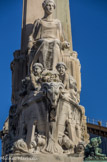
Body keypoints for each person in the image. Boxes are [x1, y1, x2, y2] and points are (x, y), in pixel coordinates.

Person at [28, 0, 70, 73]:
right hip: (41, 41)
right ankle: (44, 68)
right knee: (45, 42)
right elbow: (32, 35)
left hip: (55, 41)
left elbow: (62, 38)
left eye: (52, 6)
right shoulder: (39, 21)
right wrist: (30, 42)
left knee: (56, 42)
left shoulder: (57, 22)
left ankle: (54, 68)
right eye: (48, 5)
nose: (51, 7)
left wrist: (65, 43)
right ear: (44, 7)